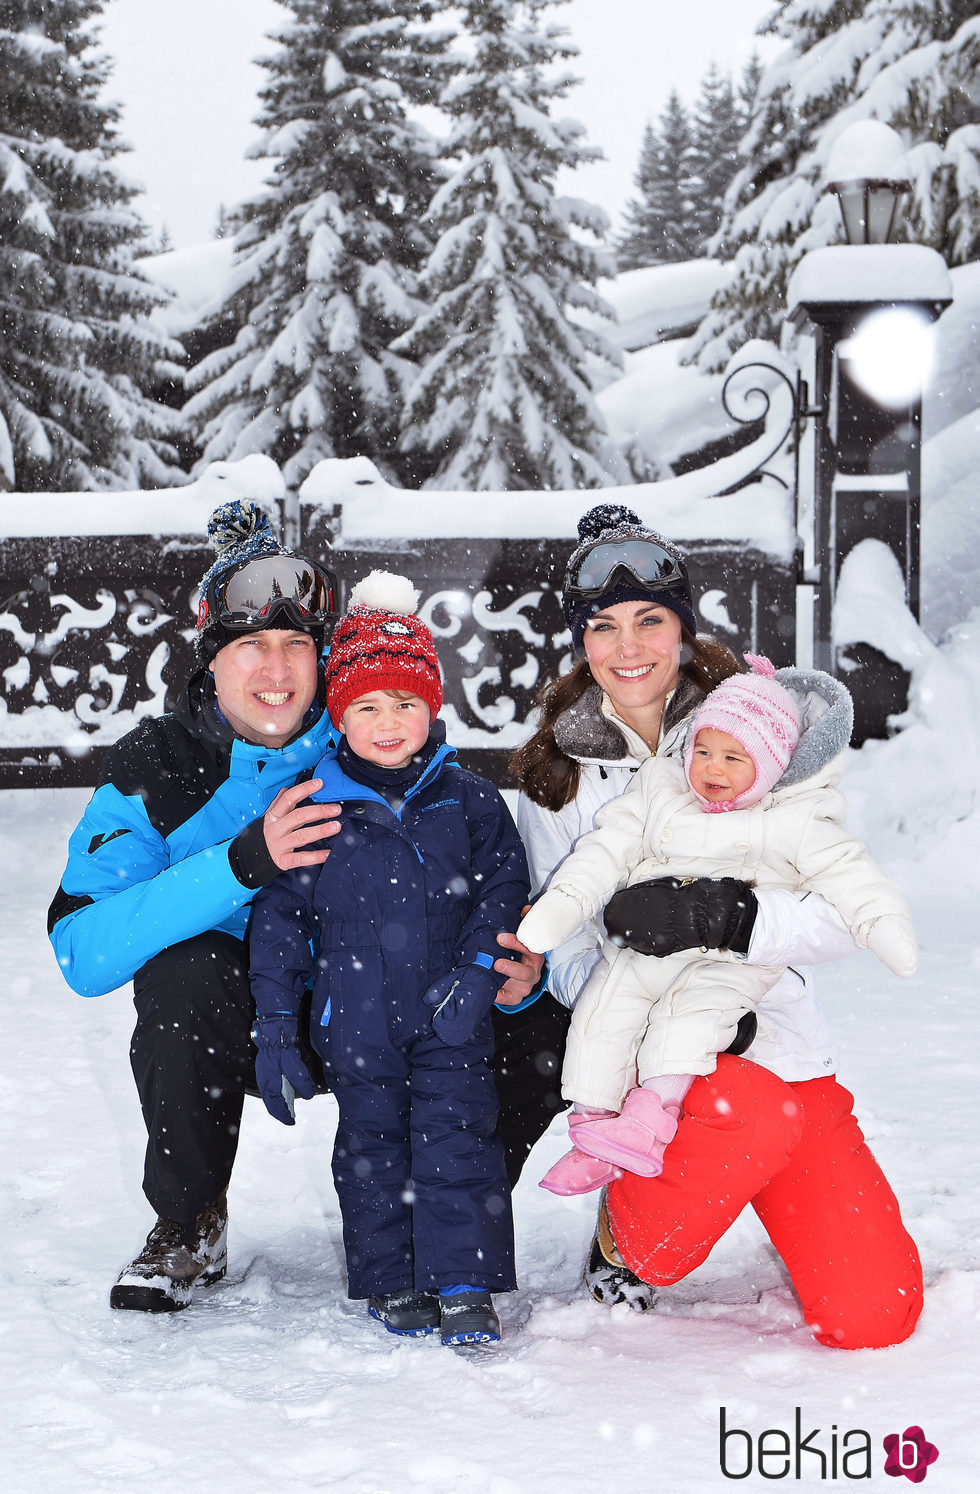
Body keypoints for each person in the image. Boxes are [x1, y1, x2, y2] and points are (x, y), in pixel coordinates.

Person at [47, 499, 542, 1313]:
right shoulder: (157, 765)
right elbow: (82, 954)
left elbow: (487, 870)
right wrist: (243, 863)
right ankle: (189, 1220)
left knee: (535, 1004)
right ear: (212, 658)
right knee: (183, 975)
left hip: (408, 1003)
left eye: (295, 647)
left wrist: (519, 961)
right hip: (263, 1017)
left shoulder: (379, 733)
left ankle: (444, 1203)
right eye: (249, 646)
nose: (275, 671)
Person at [509, 503, 923, 1349]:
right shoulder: (561, 773)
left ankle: (752, 1181)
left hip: (783, 1041)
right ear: (581, 643)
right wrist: (655, 999)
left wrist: (735, 920)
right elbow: (565, 947)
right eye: (605, 627)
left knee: (876, 1314)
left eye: (650, 622)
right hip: (660, 1060)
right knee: (742, 1121)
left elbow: (844, 907)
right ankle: (627, 1236)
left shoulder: (764, 730)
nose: (629, 648)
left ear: (685, 631)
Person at [248, 572, 529, 1346]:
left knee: (458, 1139)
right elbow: (277, 920)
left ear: (432, 706)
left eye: (405, 703)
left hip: (450, 1011)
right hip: (357, 1022)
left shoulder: (468, 799)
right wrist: (277, 1024)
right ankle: (393, 1277)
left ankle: (466, 1282)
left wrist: (478, 969)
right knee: (372, 1150)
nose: (389, 721)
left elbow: (505, 887)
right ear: (340, 714)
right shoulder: (314, 804)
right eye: (367, 706)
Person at [517, 655, 917, 1192]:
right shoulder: (661, 792)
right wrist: (565, 907)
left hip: (730, 970)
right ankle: (593, 1128)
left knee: (685, 1025)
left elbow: (851, 881)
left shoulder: (792, 818)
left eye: (733, 757)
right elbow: (601, 851)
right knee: (602, 1012)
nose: (712, 768)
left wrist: (875, 921)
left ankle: (646, 1122)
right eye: (703, 751)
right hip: (642, 951)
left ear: (771, 766)